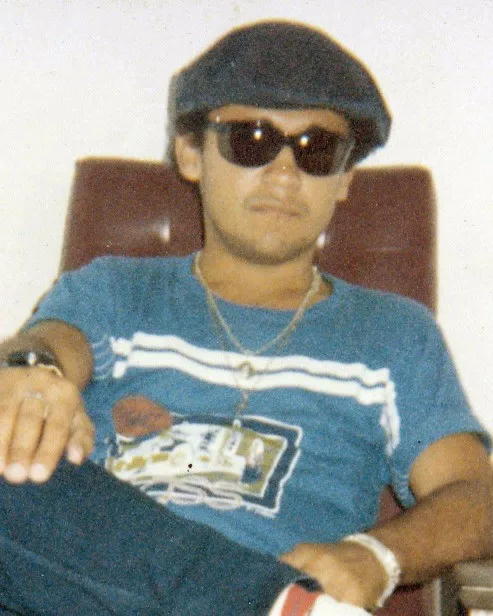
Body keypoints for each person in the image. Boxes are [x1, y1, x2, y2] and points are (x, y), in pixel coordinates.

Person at [0, 19, 492, 615]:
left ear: (344, 179)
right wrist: (27, 373)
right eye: (251, 140)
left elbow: (476, 497)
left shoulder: (394, 336)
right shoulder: (115, 291)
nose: (284, 173)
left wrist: (378, 556)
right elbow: (51, 343)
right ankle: (270, 602)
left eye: (316, 150)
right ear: (191, 154)